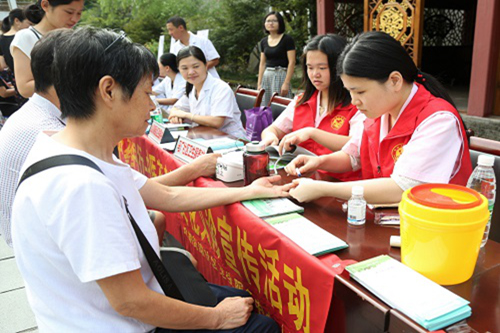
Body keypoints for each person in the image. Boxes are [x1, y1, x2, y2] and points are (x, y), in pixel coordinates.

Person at [12, 27, 286, 332]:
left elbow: (168, 197)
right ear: (108, 91)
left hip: (109, 309)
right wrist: (218, 318)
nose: (153, 106)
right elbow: (131, 303)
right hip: (116, 323)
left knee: (239, 299)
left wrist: (248, 191)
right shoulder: (81, 185)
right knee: (262, 326)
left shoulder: (72, 148)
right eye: (146, 93)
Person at [0, 30, 220, 248]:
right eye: (146, 93)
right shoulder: (61, 148)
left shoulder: (50, 129)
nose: (152, 105)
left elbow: (146, 190)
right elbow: (154, 194)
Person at [285, 31, 472, 204]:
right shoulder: (380, 110)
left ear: (395, 81)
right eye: (349, 91)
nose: (354, 101)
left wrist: (323, 188)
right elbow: (353, 156)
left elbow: (403, 187)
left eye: (360, 91)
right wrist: (319, 162)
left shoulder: (438, 120)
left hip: (437, 228)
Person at [261, 34, 364, 181]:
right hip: (303, 179)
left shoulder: (358, 105)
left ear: (340, 67)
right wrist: (270, 137)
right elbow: (273, 129)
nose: (315, 74)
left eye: (322, 68)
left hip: (341, 184)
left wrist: (312, 133)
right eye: (310, 68)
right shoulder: (302, 101)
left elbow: (357, 146)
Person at [168, 46, 246, 139]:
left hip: (231, 140)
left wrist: (185, 115)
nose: (191, 72)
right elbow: (175, 109)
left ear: (205, 65)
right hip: (204, 137)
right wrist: (175, 116)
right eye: (184, 68)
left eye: (196, 66)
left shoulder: (221, 88)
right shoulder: (192, 88)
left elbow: (216, 122)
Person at [11, 0, 84, 98]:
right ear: (45, 5)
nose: (75, 19)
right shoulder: (26, 37)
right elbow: (25, 88)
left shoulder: (74, 37)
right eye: (69, 12)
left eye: (79, 13)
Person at [257, 11, 295, 106]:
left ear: (280, 23)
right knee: (265, 105)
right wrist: (259, 83)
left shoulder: (287, 39)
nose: (271, 23)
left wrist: (286, 82)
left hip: (281, 74)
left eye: (274, 21)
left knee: (281, 104)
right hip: (267, 75)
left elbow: (292, 62)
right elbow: (262, 63)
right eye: (268, 21)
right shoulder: (263, 42)